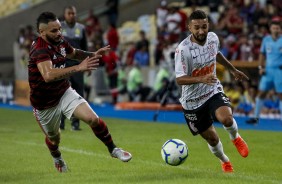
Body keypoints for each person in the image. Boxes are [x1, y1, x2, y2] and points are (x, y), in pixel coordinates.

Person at [28, 11, 132, 173]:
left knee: (92, 119)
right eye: (54, 31)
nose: (59, 33)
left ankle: (113, 149)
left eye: (59, 29)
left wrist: (92, 54)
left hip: (63, 92)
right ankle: (57, 158)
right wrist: (79, 67)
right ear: (42, 32)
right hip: (44, 104)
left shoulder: (60, 41)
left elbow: (74, 53)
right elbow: (48, 75)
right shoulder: (39, 50)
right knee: (54, 139)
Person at [174, 10, 249, 173]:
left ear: (208, 25)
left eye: (204, 27)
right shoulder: (183, 50)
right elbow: (179, 79)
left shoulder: (213, 38)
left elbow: (216, 54)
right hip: (192, 102)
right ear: (189, 28)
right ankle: (225, 161)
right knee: (212, 138)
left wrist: (233, 70)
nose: (201, 31)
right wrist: (201, 79)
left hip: (212, 90)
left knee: (227, 119)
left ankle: (235, 138)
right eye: (197, 28)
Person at [246, 20, 282, 124]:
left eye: (277, 28)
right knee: (261, 93)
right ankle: (255, 118)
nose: (275, 30)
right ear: (270, 29)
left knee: (281, 95)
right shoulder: (266, 40)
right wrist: (260, 67)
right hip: (268, 71)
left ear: (280, 29)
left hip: (279, 70)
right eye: (274, 28)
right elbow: (262, 54)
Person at [60, 6, 87, 131]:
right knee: (62, 94)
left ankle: (75, 124)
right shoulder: (59, 27)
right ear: (65, 15)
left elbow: (85, 48)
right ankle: (60, 122)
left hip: (78, 66)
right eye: (69, 13)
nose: (71, 15)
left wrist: (88, 65)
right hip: (63, 65)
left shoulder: (81, 29)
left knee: (78, 95)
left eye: (73, 13)